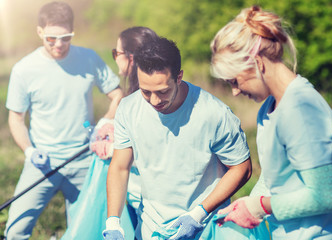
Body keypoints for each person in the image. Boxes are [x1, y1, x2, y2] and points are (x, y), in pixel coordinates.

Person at [210, 5, 332, 239]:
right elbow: (273, 179)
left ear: (257, 62)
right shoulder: (268, 109)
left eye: (235, 81)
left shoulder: (302, 111)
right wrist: (245, 205)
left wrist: (260, 206)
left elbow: (324, 196)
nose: (234, 91)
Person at [102, 36, 252, 240]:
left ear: (179, 77)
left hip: (206, 227)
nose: (154, 100)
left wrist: (198, 215)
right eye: (146, 92)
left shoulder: (214, 113)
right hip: (152, 230)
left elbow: (242, 168)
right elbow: (120, 167)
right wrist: (113, 222)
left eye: (162, 91)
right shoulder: (128, 109)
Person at [4, 1, 123, 239]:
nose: (59, 44)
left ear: (72, 32)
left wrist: (105, 121)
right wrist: (29, 152)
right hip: (42, 163)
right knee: (15, 229)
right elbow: (16, 119)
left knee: (85, 231)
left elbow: (118, 94)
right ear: (39, 32)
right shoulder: (23, 69)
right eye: (51, 38)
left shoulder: (89, 58)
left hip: (84, 160)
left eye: (66, 37)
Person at [61, 26, 159, 240]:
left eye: (116, 53)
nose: (115, 59)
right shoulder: (137, 96)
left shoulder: (148, 98)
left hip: (151, 201)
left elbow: (153, 152)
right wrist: (112, 129)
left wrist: (112, 149)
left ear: (130, 58)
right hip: (136, 196)